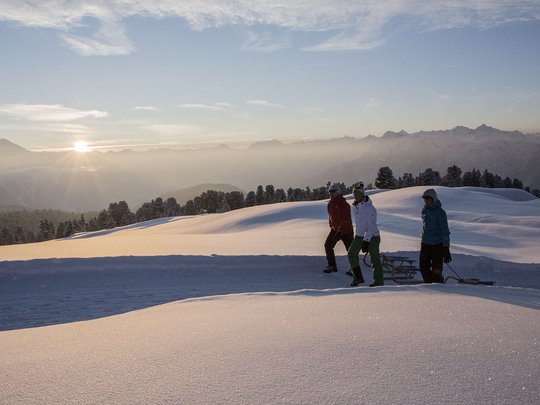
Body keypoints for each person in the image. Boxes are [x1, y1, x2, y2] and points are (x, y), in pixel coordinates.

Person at [347, 183, 384, 287]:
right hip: (359, 236)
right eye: (354, 193)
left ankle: (379, 282)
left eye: (357, 193)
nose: (355, 195)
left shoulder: (369, 208)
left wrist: (366, 241)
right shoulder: (355, 207)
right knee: (351, 254)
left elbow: (371, 227)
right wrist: (360, 237)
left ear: (362, 194)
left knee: (374, 259)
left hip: (372, 236)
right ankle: (358, 278)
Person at [419, 188, 451, 283]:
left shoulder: (440, 213)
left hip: (437, 245)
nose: (426, 200)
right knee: (423, 268)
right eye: (424, 198)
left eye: (428, 198)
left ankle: (438, 287)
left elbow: (445, 230)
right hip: (425, 244)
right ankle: (429, 286)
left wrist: (446, 247)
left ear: (433, 198)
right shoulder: (424, 210)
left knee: (436, 271)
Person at [323, 183, 354, 273]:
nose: (331, 194)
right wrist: (331, 225)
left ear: (338, 192)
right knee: (328, 245)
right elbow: (331, 216)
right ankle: (332, 266)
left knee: (351, 251)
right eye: (330, 192)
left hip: (346, 231)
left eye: (333, 192)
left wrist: (340, 230)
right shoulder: (330, 204)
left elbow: (346, 219)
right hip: (335, 230)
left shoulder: (344, 204)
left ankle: (354, 269)